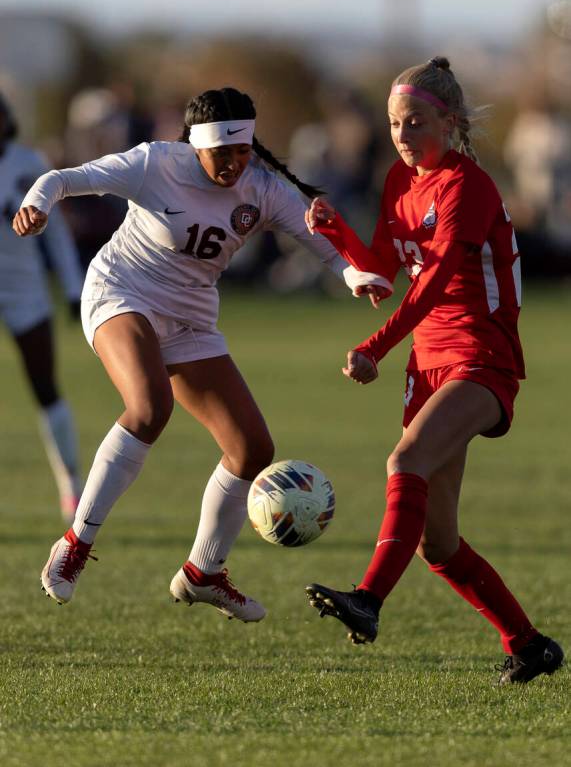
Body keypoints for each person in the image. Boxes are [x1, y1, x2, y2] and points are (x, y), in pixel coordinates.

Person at [13, 87, 390, 623]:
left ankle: (202, 574)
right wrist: (36, 204)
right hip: (122, 292)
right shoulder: (154, 163)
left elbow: (319, 238)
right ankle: (75, 542)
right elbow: (64, 179)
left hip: (190, 316)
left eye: (242, 151)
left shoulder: (262, 187)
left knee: (252, 447)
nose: (234, 164)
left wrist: (355, 275)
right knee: (149, 408)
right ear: (195, 147)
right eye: (222, 155)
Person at [304, 58, 564, 685]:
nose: (402, 134)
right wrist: (336, 231)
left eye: (415, 122)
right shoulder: (400, 179)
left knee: (405, 462)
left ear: (448, 123)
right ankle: (530, 646)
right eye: (394, 123)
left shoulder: (466, 187)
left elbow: (438, 282)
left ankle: (366, 601)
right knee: (438, 544)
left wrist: (374, 347)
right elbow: (382, 273)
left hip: (481, 358)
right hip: (430, 363)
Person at [0, 92, 84, 522]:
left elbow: (56, 235)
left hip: (24, 290)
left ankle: (72, 485)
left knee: (44, 385)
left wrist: (73, 287)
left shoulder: (28, 163)